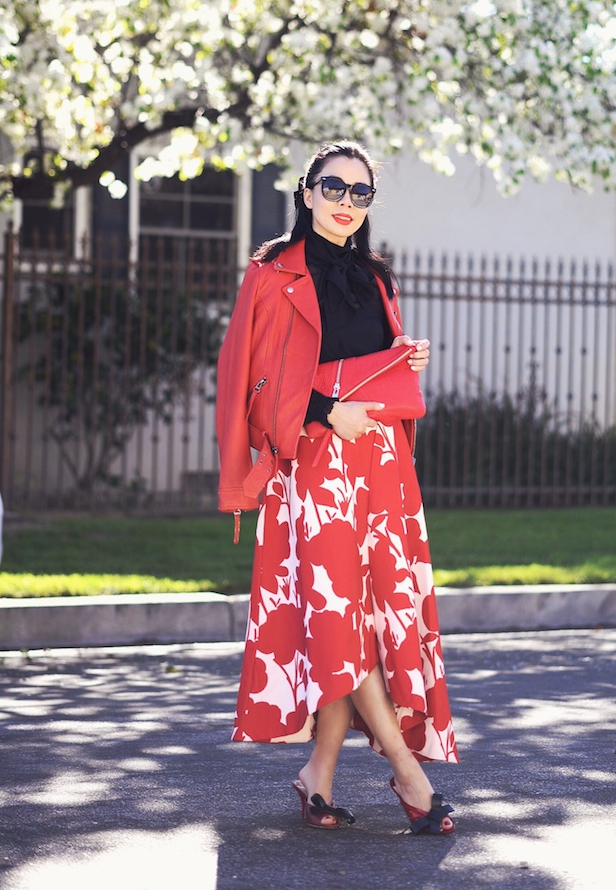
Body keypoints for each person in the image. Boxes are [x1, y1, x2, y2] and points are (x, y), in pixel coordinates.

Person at [217, 140, 458, 835]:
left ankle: (316, 774)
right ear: (306, 191)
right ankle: (411, 778)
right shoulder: (271, 275)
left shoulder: (376, 278)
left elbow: (363, 370)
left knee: (367, 620)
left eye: (360, 192)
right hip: (313, 468)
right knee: (337, 618)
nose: (346, 203)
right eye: (334, 187)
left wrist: (404, 357)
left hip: (380, 467)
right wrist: (326, 412)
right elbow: (256, 390)